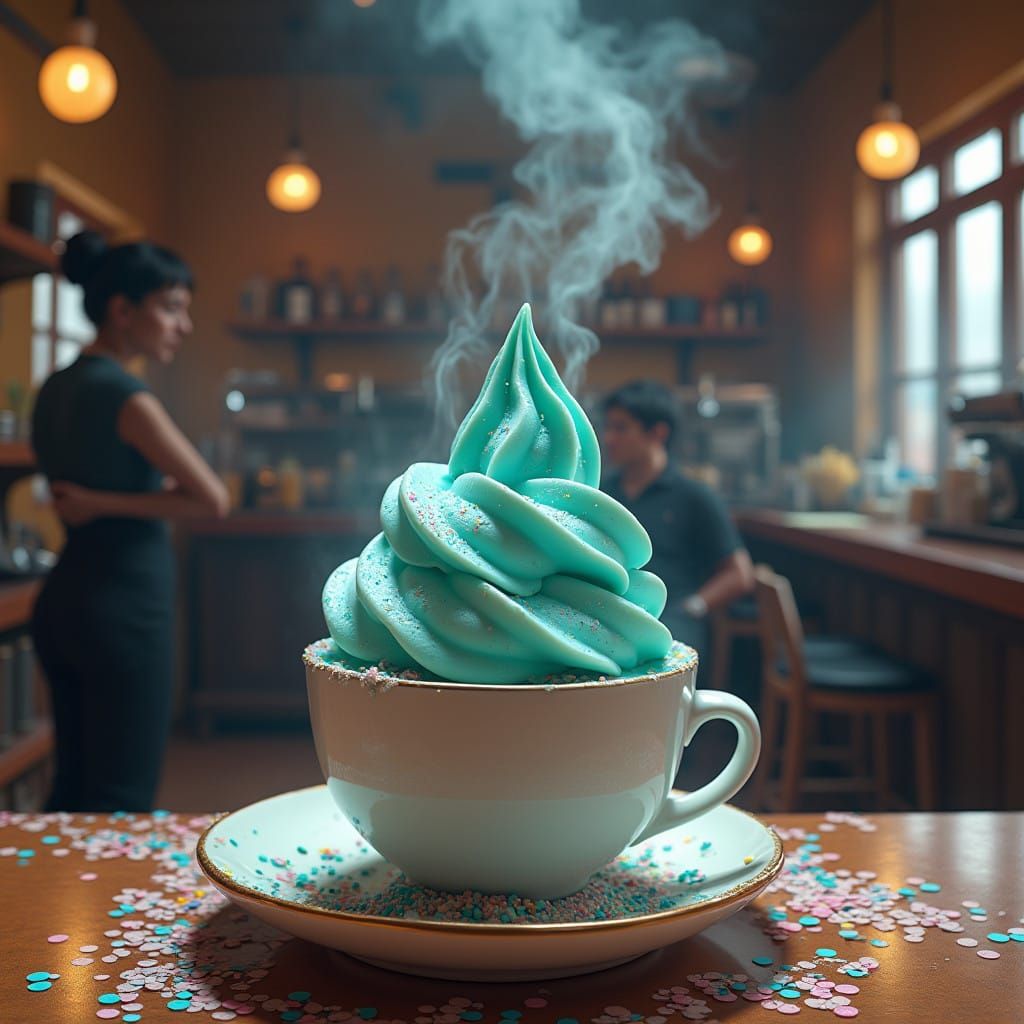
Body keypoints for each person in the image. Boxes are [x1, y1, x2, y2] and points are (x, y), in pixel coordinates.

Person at [31, 231, 229, 812]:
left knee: (70, 791)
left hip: (64, 601)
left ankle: (44, 904)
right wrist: (109, 502)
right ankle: (102, 907)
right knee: (122, 798)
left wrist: (95, 502)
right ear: (122, 310)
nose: (183, 327)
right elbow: (211, 498)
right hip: (124, 612)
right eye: (171, 309)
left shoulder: (54, 388)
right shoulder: (128, 397)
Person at [601, 379, 753, 652]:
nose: (608, 438)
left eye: (621, 428)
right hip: (610, 613)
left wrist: (694, 606)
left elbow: (739, 574)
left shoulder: (694, 496)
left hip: (672, 618)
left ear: (658, 433)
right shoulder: (601, 494)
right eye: (608, 427)